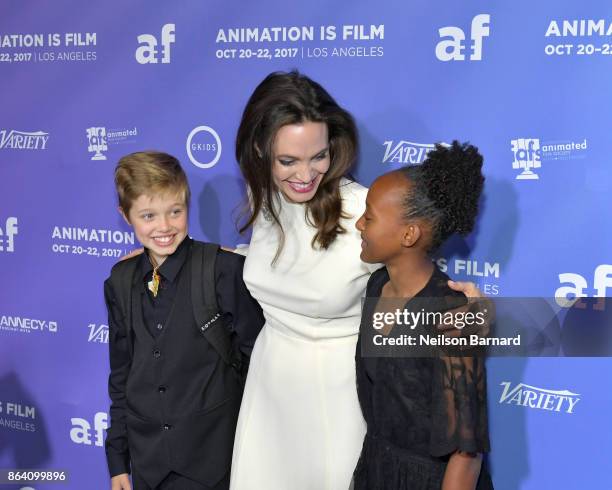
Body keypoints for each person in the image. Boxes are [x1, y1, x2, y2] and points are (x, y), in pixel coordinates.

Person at [229, 71, 485, 490]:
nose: (305, 175)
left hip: (339, 394)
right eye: (287, 160)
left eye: (319, 156)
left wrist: (470, 310)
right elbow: (271, 266)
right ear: (259, 150)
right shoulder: (267, 197)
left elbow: (417, 279)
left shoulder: (363, 212)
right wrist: (166, 256)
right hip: (269, 387)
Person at [104, 151, 264, 490]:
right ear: (125, 215)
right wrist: (118, 461)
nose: (164, 226)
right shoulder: (119, 281)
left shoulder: (223, 271)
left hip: (215, 462)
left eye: (175, 211)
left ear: (187, 205)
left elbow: (258, 366)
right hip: (150, 467)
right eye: (148, 215)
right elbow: (121, 375)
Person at [353, 141, 493, 489]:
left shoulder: (453, 313)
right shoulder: (377, 285)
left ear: (409, 234)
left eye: (369, 216)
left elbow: (466, 454)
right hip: (378, 469)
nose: (358, 224)